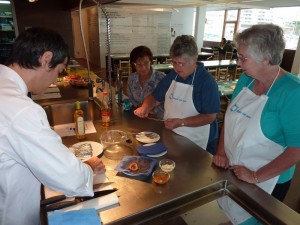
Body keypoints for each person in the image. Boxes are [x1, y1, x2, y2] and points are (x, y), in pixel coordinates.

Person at [0, 27, 105, 225]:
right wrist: (88, 168)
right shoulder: (21, 110)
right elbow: (70, 177)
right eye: (58, 71)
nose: (55, 80)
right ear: (46, 59)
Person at [213, 23, 300, 225]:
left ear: (266, 59)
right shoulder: (246, 79)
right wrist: (221, 152)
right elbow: (230, 116)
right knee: (233, 213)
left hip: (268, 179)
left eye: (243, 58)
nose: (238, 62)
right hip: (236, 168)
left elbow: (297, 150)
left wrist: (256, 176)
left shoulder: (293, 93)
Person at [134, 35, 220, 154]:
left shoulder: (206, 82)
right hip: (172, 135)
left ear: (194, 59)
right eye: (174, 62)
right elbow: (154, 97)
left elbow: (209, 117)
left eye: (181, 63)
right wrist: (145, 107)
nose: (176, 67)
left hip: (197, 143)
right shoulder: (172, 76)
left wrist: (181, 122)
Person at [127, 45, 165, 119]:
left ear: (150, 61)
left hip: (158, 119)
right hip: (139, 117)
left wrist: (149, 109)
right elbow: (131, 99)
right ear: (133, 64)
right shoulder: (132, 78)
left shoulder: (161, 78)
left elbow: (166, 101)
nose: (143, 67)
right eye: (139, 64)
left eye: (146, 63)